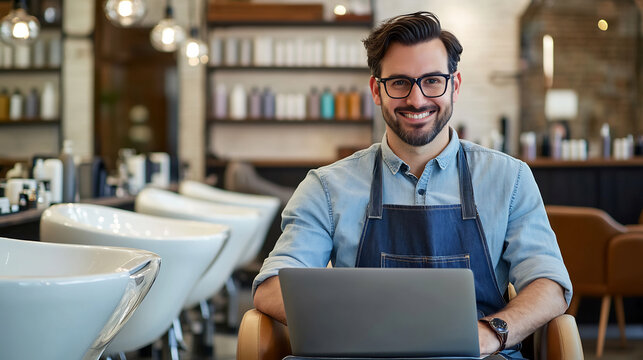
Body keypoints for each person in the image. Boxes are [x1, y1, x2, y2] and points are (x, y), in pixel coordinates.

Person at [253, 11, 572, 359]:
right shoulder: (326, 187)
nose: (417, 99)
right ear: (377, 90)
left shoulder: (509, 179)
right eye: (400, 82)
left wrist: (491, 332)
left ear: (455, 85)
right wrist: (356, 331)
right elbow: (271, 287)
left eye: (433, 80)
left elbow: (550, 285)